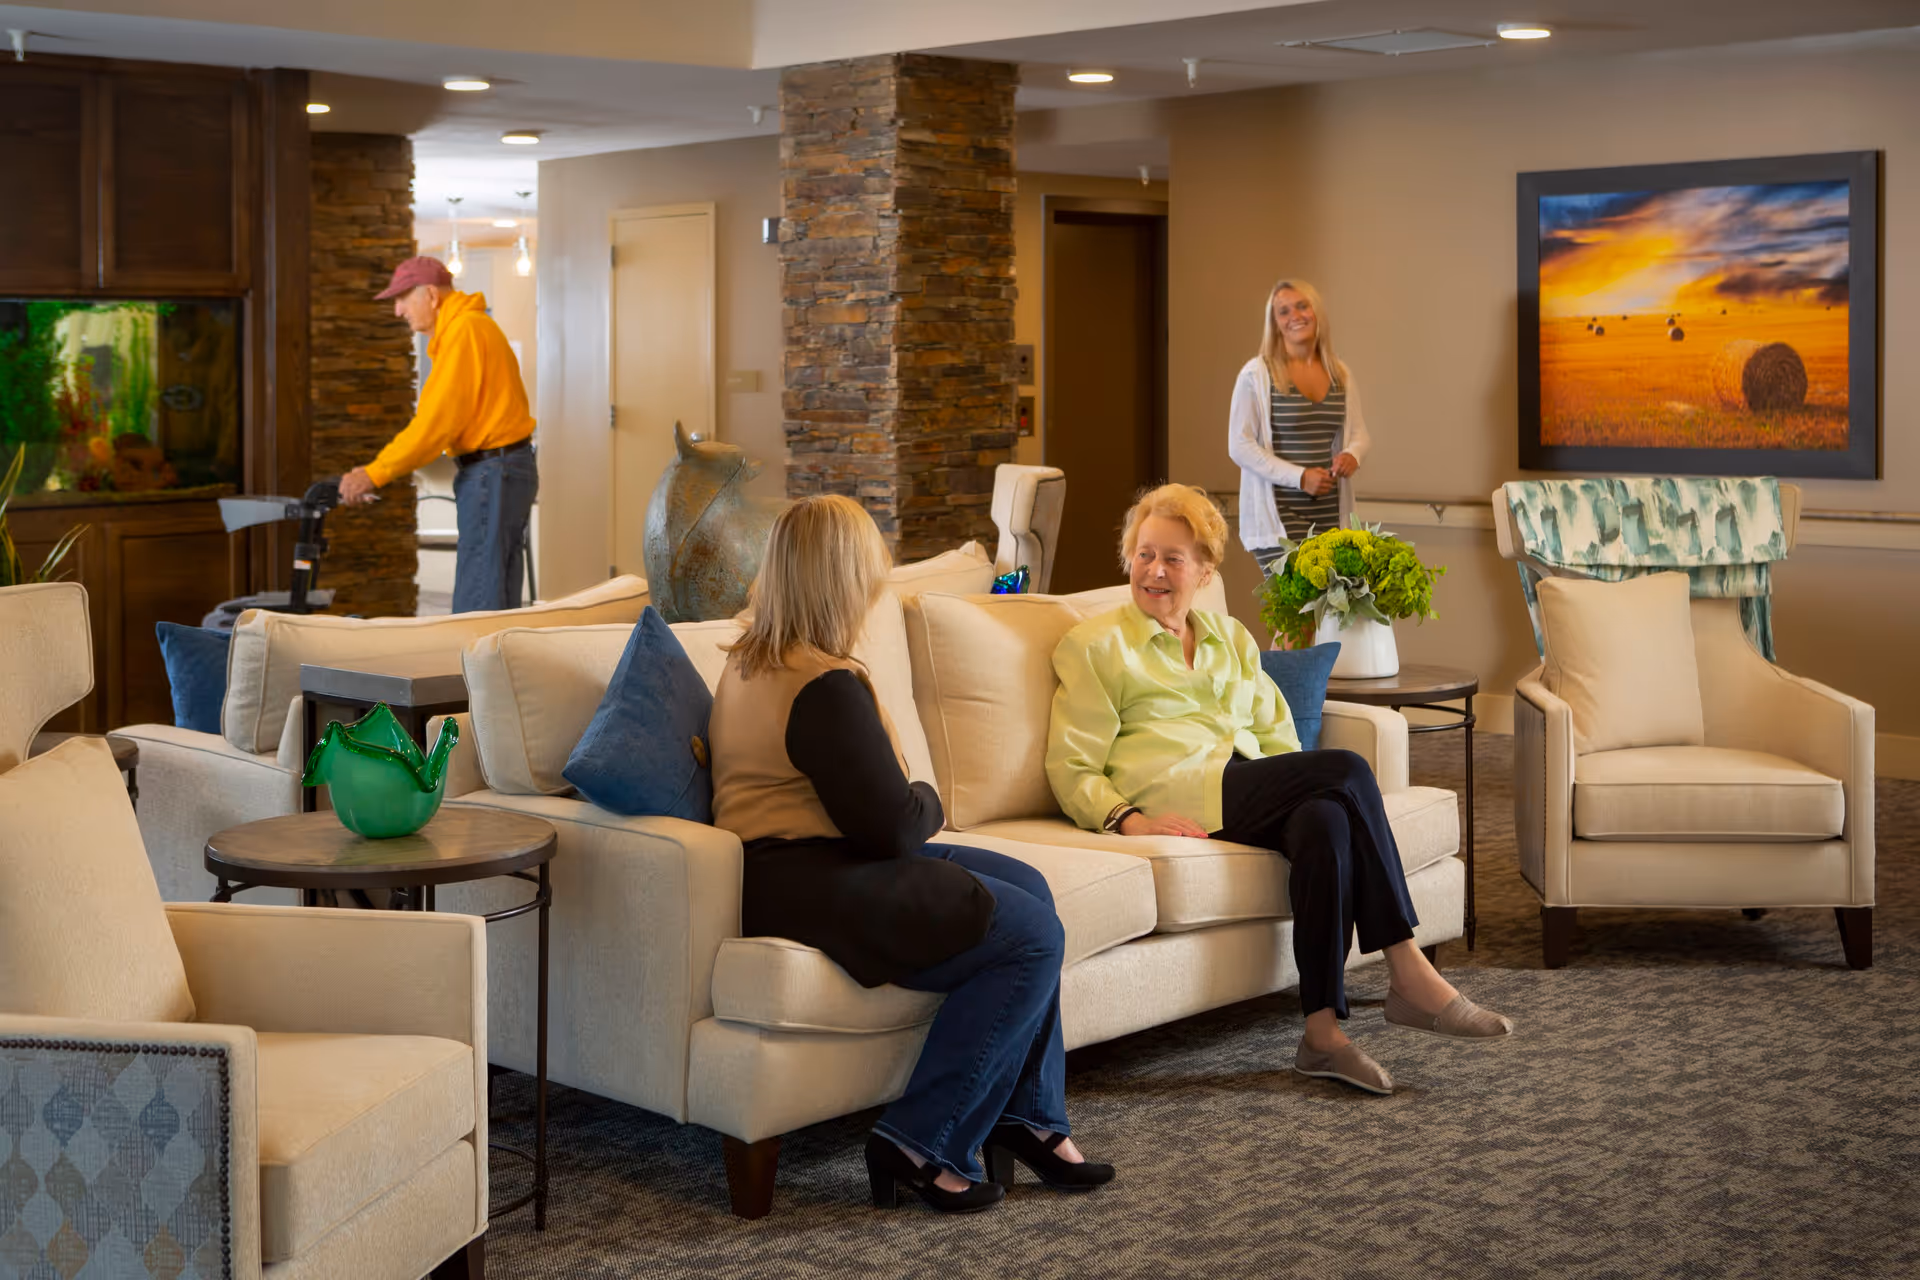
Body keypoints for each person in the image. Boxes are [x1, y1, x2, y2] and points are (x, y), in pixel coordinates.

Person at [706, 495, 1114, 1213]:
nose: (876, 587)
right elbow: (896, 827)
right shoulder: (821, 685)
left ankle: (1028, 1117)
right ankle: (920, 1140)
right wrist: (927, 794)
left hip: (799, 868)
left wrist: (908, 802)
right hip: (815, 879)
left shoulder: (750, 659)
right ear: (840, 580)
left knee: (1028, 886)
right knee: (1029, 934)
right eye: (869, 573)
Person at [1047, 484, 1510, 1096]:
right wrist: (1128, 819)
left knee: (1326, 819)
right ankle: (1407, 967)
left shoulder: (1231, 639)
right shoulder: (1096, 646)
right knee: (1347, 769)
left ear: (1205, 572)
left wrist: (1297, 792)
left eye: (1173, 559)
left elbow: (1277, 736)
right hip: (1180, 794)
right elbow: (1071, 765)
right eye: (1144, 555)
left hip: (1246, 784)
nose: (1154, 571)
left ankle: (1322, 1036)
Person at [338, 256, 538, 613]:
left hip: (493, 473)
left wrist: (373, 473)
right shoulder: (469, 328)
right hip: (502, 470)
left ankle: (472, 653)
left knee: (478, 598)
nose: (398, 310)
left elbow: (434, 426)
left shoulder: (463, 332)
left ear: (431, 295)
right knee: (494, 592)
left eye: (402, 298)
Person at [1228, 278, 1372, 576]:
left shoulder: (1339, 372)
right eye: (1283, 311)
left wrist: (1353, 455)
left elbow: (1359, 434)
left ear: (1316, 311)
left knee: (1329, 606)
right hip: (1279, 517)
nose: (1294, 316)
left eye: (1302, 306)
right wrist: (1300, 477)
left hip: (1330, 514)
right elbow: (1239, 445)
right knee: (1298, 605)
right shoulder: (1256, 374)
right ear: (1275, 323)